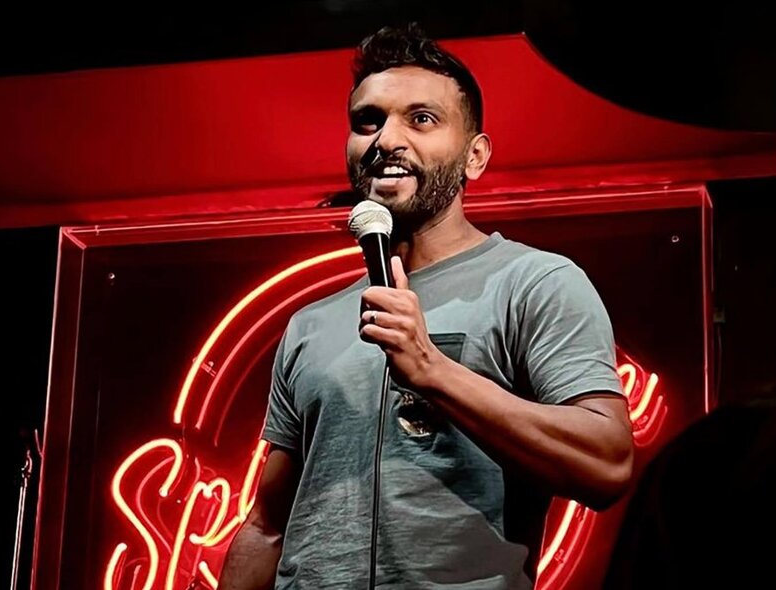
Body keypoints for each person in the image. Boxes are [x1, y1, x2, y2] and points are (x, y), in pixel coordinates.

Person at [219, 23, 633, 590]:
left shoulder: (535, 282)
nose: (386, 139)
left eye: (421, 119)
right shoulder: (309, 325)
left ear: (475, 156)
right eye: (368, 121)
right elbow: (267, 525)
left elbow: (607, 464)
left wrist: (432, 369)